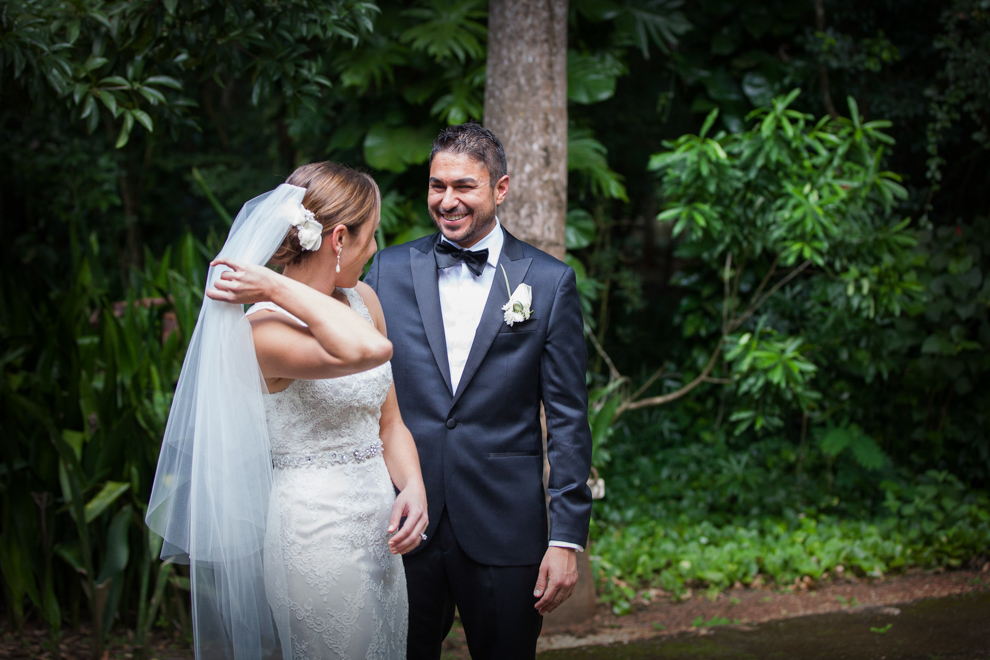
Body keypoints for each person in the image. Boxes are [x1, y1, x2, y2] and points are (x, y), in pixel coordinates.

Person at [147, 162, 427, 660]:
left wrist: (413, 486)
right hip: (316, 534)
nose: (375, 250)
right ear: (339, 237)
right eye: (371, 237)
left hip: (378, 527)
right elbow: (369, 352)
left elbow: (391, 423)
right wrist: (277, 287)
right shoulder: (263, 330)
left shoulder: (361, 299)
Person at [364, 123, 594, 659]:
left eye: (464, 186)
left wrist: (565, 538)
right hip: (403, 521)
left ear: (501, 188)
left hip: (504, 525)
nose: (447, 201)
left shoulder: (549, 281)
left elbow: (566, 418)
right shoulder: (386, 269)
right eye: (437, 186)